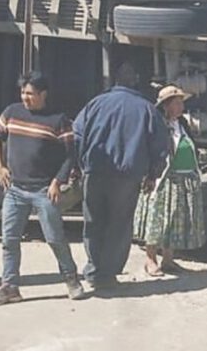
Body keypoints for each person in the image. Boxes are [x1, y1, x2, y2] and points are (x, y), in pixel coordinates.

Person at [0, 71, 88, 306]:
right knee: (9, 240)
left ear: (43, 94)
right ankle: (9, 286)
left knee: (54, 238)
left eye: (30, 93)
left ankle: (71, 280)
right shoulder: (12, 112)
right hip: (14, 190)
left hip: (44, 191)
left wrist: (57, 181)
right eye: (23, 92)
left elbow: (70, 154)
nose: (25, 97)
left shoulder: (58, 120)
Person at [73, 62, 169, 290]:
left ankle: (94, 268)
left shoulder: (96, 103)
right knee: (120, 224)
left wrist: (78, 165)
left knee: (94, 221)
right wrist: (152, 175)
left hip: (95, 172)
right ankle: (108, 272)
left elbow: (75, 134)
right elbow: (160, 146)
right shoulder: (147, 109)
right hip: (127, 178)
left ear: (115, 80)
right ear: (135, 80)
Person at [133, 85, 205, 276]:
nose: (181, 106)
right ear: (166, 106)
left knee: (174, 220)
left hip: (182, 179)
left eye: (182, 102)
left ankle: (168, 259)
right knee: (158, 218)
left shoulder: (181, 124)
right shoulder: (157, 125)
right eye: (177, 102)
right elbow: (151, 151)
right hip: (162, 178)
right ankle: (150, 259)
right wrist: (149, 175)